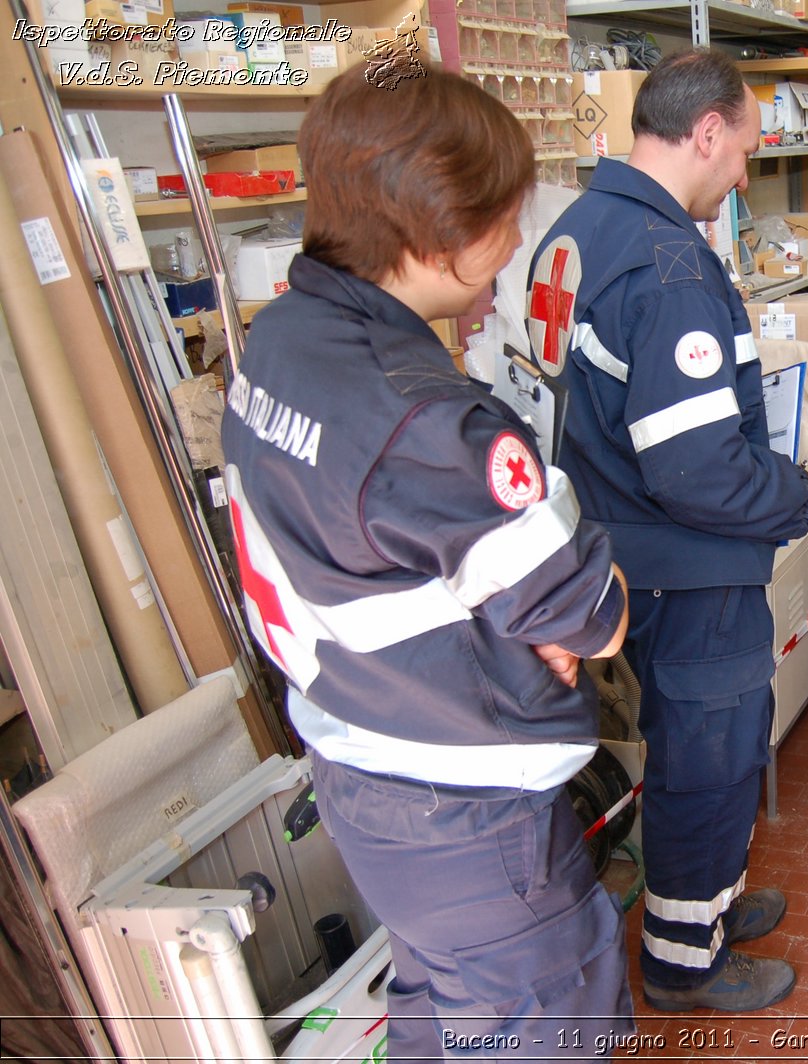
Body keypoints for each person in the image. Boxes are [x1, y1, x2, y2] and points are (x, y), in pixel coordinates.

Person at [220, 68, 634, 1059]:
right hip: (466, 815)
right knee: (542, 1025)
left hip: (364, 764)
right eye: (506, 215)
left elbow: (371, 541)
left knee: (437, 1013)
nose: (513, 238)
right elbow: (597, 617)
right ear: (445, 231)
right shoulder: (428, 419)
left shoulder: (282, 340)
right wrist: (551, 551)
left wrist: (512, 599)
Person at [525, 48, 808, 1012]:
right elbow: (698, 471)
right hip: (687, 568)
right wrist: (792, 493)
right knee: (710, 758)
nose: (743, 174)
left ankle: (708, 903)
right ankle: (684, 961)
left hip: (612, 541)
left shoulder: (577, 229)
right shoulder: (671, 267)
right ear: (706, 133)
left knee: (698, 747)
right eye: (743, 151)